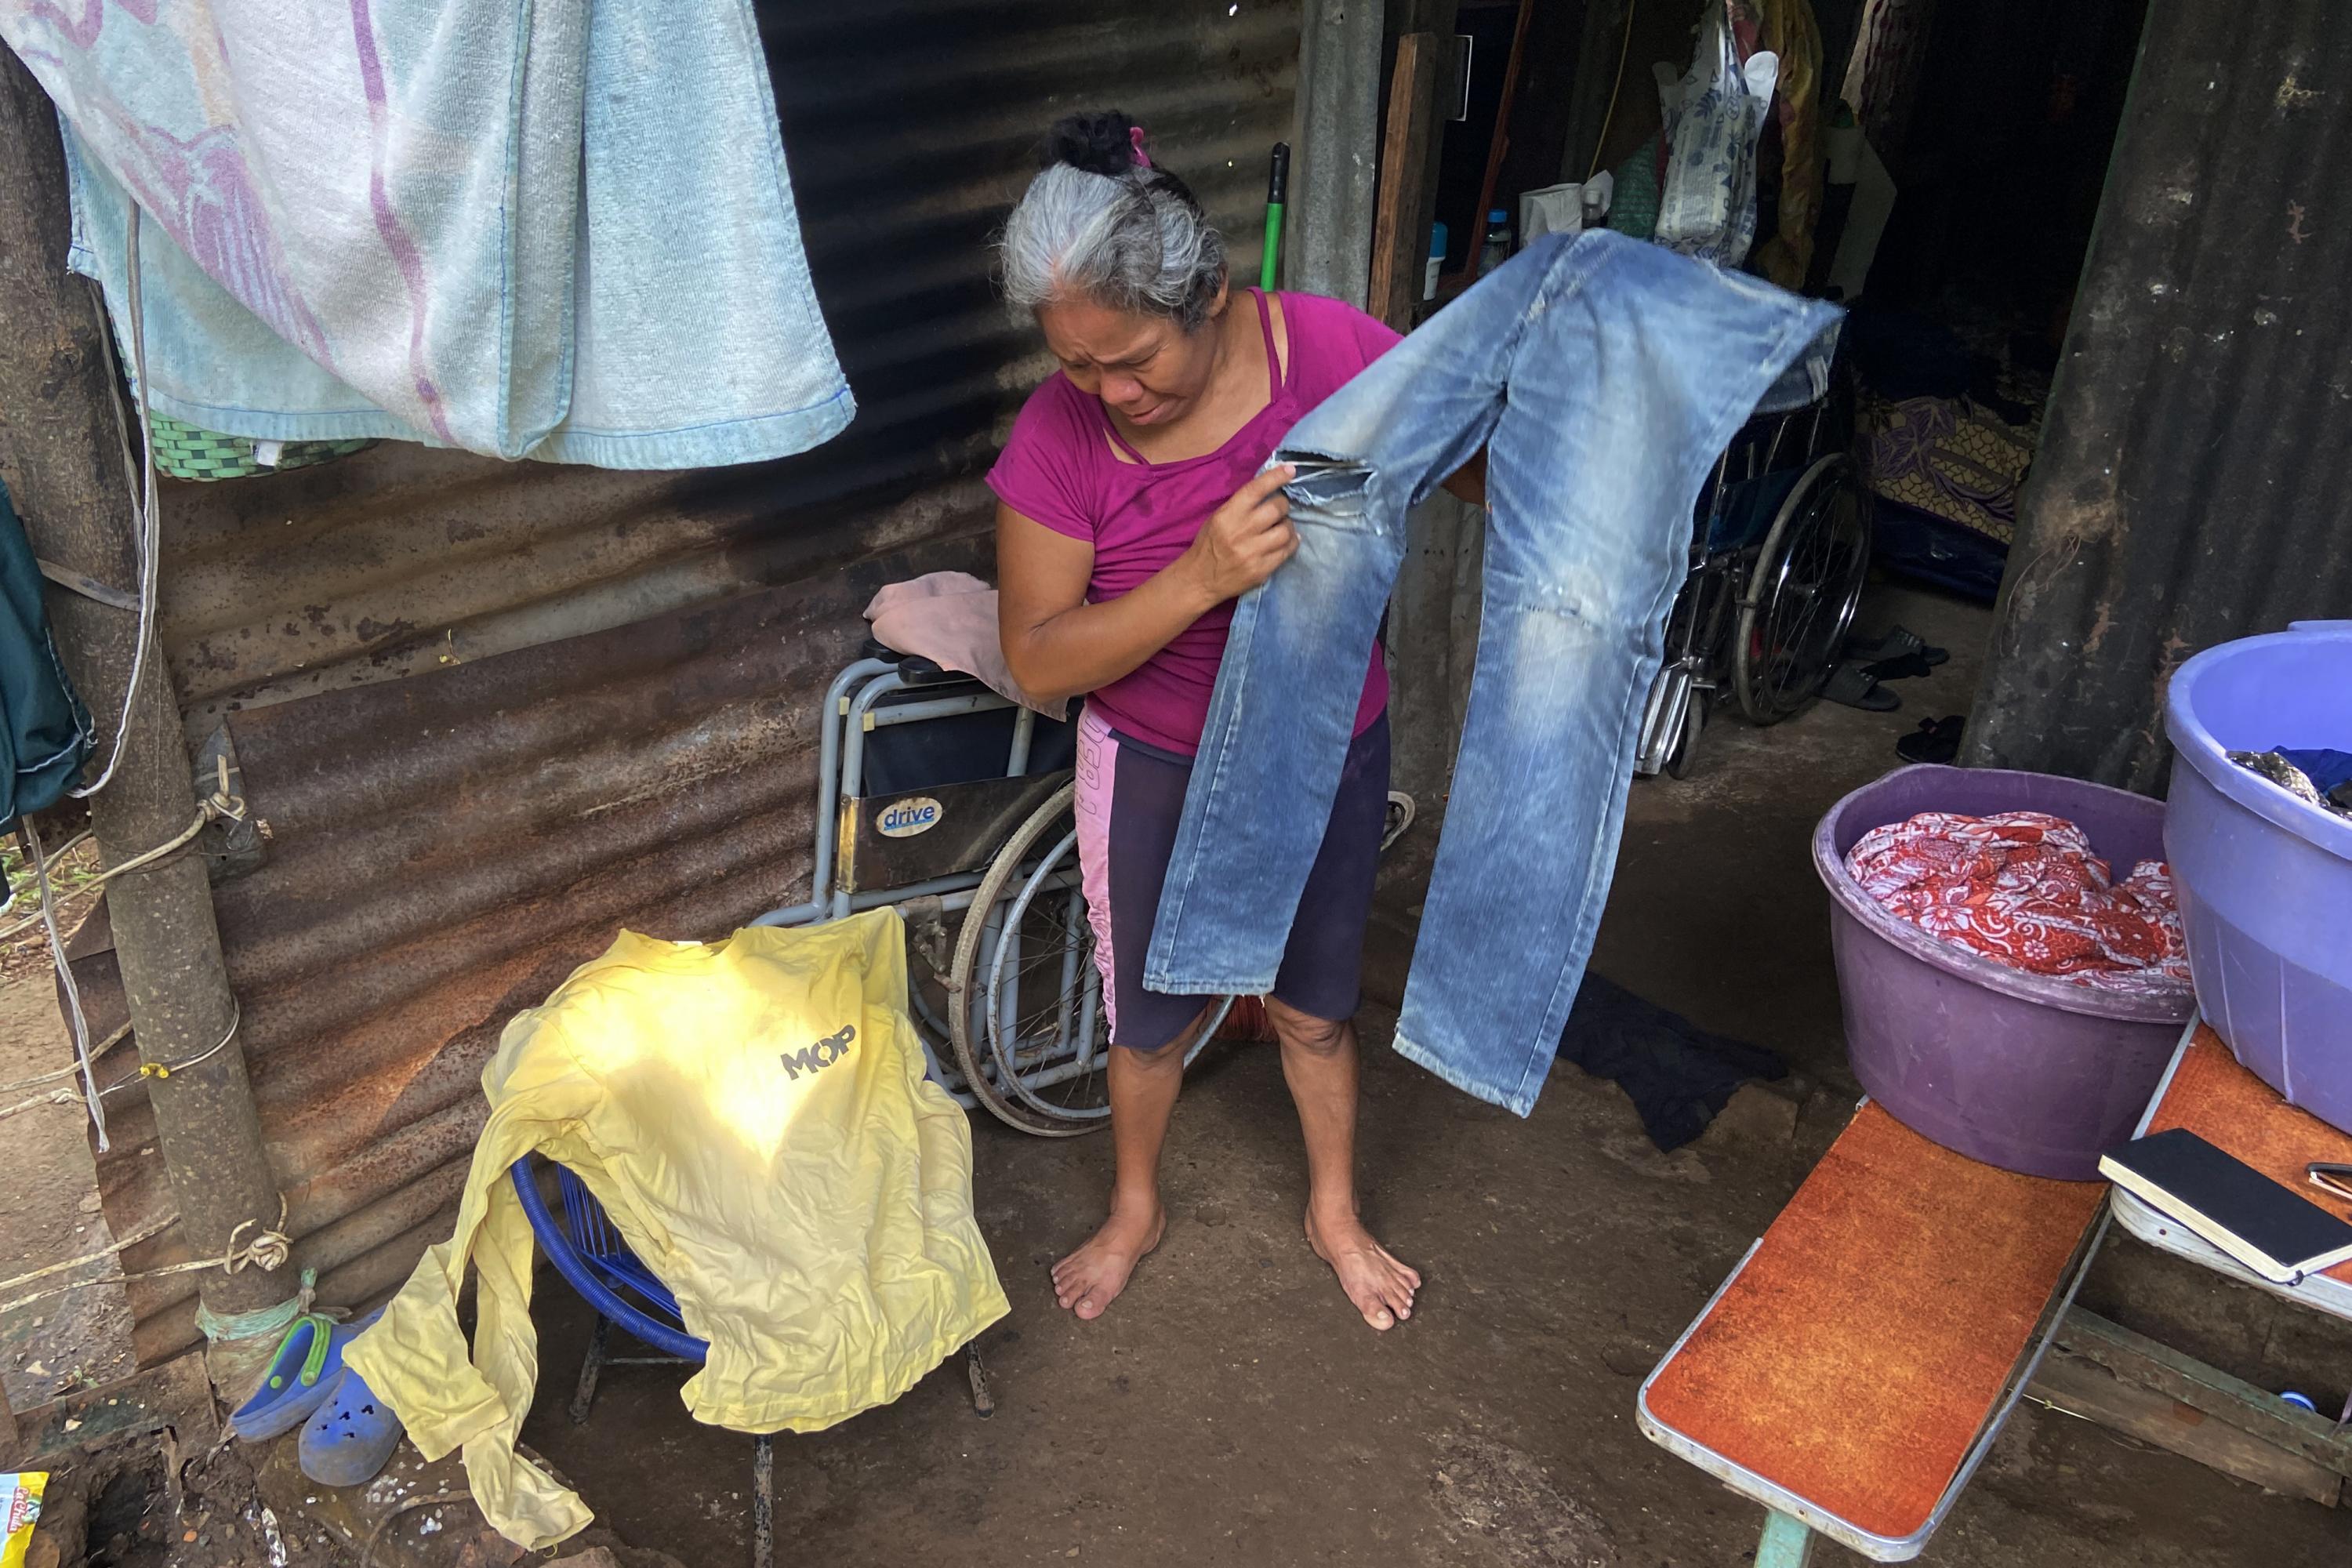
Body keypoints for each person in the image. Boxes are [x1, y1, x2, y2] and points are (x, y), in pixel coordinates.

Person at [987, 110, 1480, 1331]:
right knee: (1149, 1022)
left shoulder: (1330, 351)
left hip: (1322, 749)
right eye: (1077, 364)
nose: (1109, 392)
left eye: (1131, 357)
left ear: (1207, 293)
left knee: (1315, 1007)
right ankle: (1136, 1205)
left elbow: (1471, 460)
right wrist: (1197, 579)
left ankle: (1333, 1210)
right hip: (1154, 756)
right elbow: (1039, 660)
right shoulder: (1059, 437)